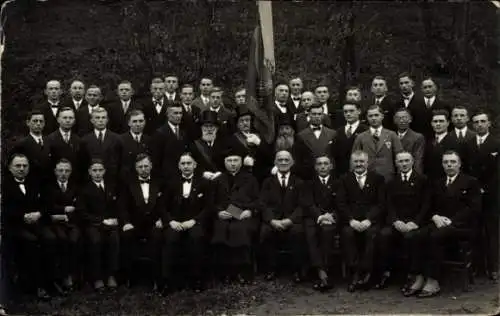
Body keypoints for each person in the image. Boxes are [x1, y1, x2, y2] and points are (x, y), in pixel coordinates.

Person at [406, 151, 481, 297]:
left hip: (462, 226)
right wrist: (435, 216)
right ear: (442, 164)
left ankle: (433, 280)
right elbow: (428, 205)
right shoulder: (437, 183)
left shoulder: (471, 182)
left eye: (453, 162)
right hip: (439, 223)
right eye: (446, 162)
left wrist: (451, 220)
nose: (449, 165)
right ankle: (419, 276)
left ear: (459, 164)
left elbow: (473, 208)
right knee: (415, 236)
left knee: (435, 236)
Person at [161, 153, 216, 294]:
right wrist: (171, 221)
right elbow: (161, 206)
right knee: (170, 239)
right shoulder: (171, 183)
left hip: (194, 222)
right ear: (179, 166)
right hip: (175, 222)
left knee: (196, 238)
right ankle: (168, 281)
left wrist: (194, 221)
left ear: (195, 165)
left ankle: (196, 279)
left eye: (189, 163)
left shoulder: (204, 183)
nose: (186, 166)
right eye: (183, 163)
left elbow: (208, 207)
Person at [376, 152, 430, 292]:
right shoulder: (391, 182)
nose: (404, 164)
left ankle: (411, 274)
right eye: (401, 161)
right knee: (384, 235)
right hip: (397, 222)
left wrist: (415, 222)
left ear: (412, 162)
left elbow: (426, 205)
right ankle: (386, 272)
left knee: (411, 237)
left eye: (407, 161)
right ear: (396, 163)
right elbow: (388, 204)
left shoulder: (422, 180)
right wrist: (395, 221)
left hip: (415, 223)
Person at [2, 154, 53, 300]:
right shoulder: (5, 185)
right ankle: (34, 285)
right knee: (31, 242)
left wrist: (39, 213)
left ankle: (50, 281)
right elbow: (5, 209)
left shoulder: (34, 183)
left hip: (35, 222)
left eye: (25, 166)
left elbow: (45, 203)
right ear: (10, 168)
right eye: (18, 166)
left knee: (50, 238)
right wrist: (22, 216)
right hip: (14, 225)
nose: (21, 169)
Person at [337, 150, 385, 292]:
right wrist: (351, 220)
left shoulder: (378, 179)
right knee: (347, 234)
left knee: (372, 235)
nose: (359, 164)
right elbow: (341, 203)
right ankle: (355, 273)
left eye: (361, 161)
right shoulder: (344, 179)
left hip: (371, 221)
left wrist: (369, 220)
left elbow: (381, 204)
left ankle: (367, 273)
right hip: (351, 221)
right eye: (356, 162)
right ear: (352, 163)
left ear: (367, 163)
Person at [211, 148, 260, 283]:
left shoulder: (251, 179)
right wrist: (218, 212)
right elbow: (211, 201)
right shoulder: (218, 180)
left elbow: (258, 200)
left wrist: (250, 211)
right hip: (224, 215)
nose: (232, 164)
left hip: (243, 214)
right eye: (229, 161)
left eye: (235, 160)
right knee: (221, 230)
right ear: (225, 162)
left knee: (239, 230)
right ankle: (225, 272)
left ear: (241, 162)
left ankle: (241, 271)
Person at [259, 150, 306, 282]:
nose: (283, 162)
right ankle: (271, 269)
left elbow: (302, 205)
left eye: (286, 160)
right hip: (273, 220)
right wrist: (272, 220)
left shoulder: (299, 182)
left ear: (292, 163)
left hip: (292, 220)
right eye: (280, 160)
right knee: (266, 231)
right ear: (275, 162)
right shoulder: (267, 182)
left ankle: (296, 270)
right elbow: (262, 204)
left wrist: (290, 220)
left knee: (298, 232)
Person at [120, 154, 165, 291]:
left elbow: (166, 204)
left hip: (154, 222)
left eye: (146, 166)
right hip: (135, 223)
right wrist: (126, 222)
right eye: (140, 167)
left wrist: (162, 219)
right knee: (127, 238)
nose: (144, 169)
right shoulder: (129, 184)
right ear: (135, 168)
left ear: (151, 166)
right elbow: (122, 206)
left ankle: (156, 279)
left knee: (157, 239)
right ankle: (130, 278)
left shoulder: (160, 182)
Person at [464, 110, 499, 281]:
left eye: (482, 121)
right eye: (476, 122)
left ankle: (493, 267)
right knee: (475, 230)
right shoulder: (469, 144)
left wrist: (486, 188)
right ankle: (477, 266)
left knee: (492, 231)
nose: (479, 125)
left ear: (489, 123)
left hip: (492, 195)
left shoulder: (496, 143)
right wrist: (474, 189)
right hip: (473, 195)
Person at [77, 159, 120, 292]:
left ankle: (111, 275)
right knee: (95, 241)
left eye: (100, 170)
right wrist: (101, 220)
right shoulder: (84, 189)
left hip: (110, 224)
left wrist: (116, 219)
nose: (97, 173)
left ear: (104, 171)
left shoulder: (111, 186)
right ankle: (97, 277)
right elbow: (82, 213)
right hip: (93, 224)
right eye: (94, 170)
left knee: (114, 239)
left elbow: (118, 207)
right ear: (89, 172)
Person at [41, 158, 81, 294]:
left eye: (67, 171)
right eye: (60, 170)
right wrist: (64, 209)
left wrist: (68, 213)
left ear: (71, 172)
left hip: (72, 223)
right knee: (62, 240)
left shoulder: (75, 187)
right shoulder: (48, 187)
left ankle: (71, 274)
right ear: (55, 171)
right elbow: (48, 206)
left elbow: (78, 207)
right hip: (55, 223)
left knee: (74, 240)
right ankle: (61, 277)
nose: (63, 173)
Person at [300, 154, 337, 291]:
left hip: (332, 218)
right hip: (313, 217)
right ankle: (321, 271)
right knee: (310, 233)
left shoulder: (338, 182)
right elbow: (308, 203)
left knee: (328, 232)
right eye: (319, 164)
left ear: (331, 166)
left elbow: (341, 203)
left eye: (325, 163)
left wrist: (331, 215)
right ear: (315, 167)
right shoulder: (308, 183)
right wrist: (320, 216)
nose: (323, 166)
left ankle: (325, 269)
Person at [352, 105, 403, 182]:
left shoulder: (391, 135)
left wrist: (400, 176)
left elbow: (400, 157)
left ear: (382, 116)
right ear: (367, 117)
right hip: (367, 176)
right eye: (370, 116)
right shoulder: (361, 137)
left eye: (376, 115)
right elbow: (354, 158)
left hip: (387, 176)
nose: (373, 118)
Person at [294, 103, 337, 180]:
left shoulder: (332, 134)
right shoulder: (301, 135)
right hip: (308, 175)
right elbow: (299, 159)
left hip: (329, 175)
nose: (317, 116)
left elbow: (335, 156)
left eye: (319, 114)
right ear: (309, 115)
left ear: (323, 115)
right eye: (314, 114)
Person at [80, 107, 122, 183]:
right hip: (91, 181)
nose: (100, 120)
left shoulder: (117, 139)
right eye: (97, 117)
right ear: (92, 120)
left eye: (103, 117)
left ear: (107, 120)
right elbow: (83, 164)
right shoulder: (84, 140)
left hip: (112, 180)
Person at [12, 110, 52, 183]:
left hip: (48, 184)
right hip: (30, 184)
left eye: (41, 121)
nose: (38, 124)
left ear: (44, 123)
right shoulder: (22, 144)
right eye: (35, 121)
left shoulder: (49, 142)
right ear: (28, 123)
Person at [151, 103, 189, 180]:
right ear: (168, 115)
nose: (179, 116)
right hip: (166, 178)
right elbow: (156, 161)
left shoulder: (183, 133)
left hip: (182, 176)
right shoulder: (159, 133)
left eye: (180, 113)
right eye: (175, 113)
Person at [45, 107, 82, 183]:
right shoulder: (49, 139)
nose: (68, 120)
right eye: (65, 118)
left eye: (70, 118)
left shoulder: (78, 140)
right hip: (54, 181)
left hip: (74, 182)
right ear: (58, 120)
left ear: (74, 121)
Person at [333, 102, 368, 176]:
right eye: (345, 112)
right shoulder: (338, 131)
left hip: (361, 172)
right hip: (341, 173)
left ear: (359, 111)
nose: (348, 114)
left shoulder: (366, 130)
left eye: (351, 111)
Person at [423, 109, 460, 179]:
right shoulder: (427, 141)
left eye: (441, 121)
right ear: (431, 123)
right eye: (435, 121)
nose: (438, 124)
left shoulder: (455, 142)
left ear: (448, 123)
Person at [118, 109, 151, 182]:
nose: (138, 124)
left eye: (141, 121)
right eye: (134, 121)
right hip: (126, 181)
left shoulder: (150, 140)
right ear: (129, 123)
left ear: (145, 122)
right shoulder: (120, 140)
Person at [393, 108, 425, 174]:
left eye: (404, 118)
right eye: (398, 118)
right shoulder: (390, 136)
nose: (401, 121)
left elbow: (418, 161)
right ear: (394, 120)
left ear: (410, 119)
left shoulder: (417, 137)